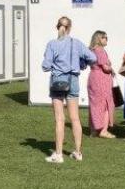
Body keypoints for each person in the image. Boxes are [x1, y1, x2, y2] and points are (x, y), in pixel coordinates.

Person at [41, 16, 96, 163]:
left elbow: (45, 66)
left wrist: (55, 66)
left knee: (60, 119)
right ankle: (78, 152)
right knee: (75, 118)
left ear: (57, 27)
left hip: (58, 82)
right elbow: (93, 58)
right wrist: (82, 63)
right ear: (70, 28)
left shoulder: (52, 44)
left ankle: (58, 155)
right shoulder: (76, 43)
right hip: (73, 81)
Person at [87, 30, 116, 138]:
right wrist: (111, 69)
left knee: (94, 104)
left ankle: (94, 129)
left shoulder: (92, 50)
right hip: (102, 79)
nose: (106, 39)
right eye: (104, 37)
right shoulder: (100, 50)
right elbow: (105, 67)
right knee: (106, 104)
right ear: (99, 39)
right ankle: (103, 130)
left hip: (93, 78)